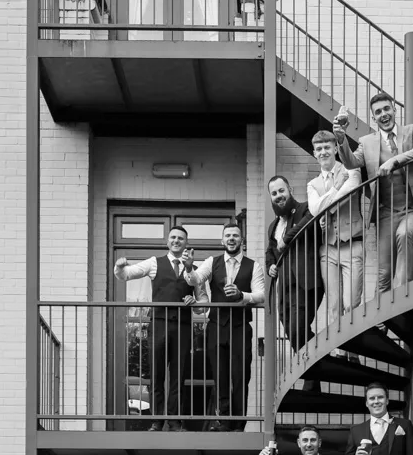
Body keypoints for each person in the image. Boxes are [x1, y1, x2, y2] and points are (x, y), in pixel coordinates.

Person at [333, 94, 413, 291]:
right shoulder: (366, 142)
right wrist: (341, 139)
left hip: (412, 208)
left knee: (405, 234)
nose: (384, 114)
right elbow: (351, 162)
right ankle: (383, 320)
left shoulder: (411, 131)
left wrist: (394, 160)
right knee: (384, 273)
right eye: (378, 112)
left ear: (394, 110)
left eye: (387, 109)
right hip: (386, 213)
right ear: (373, 118)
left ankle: (402, 303)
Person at [113, 224, 198, 431]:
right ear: (168, 241)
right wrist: (119, 267)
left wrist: (194, 302)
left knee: (179, 375)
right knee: (157, 374)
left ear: (186, 243)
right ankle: (157, 420)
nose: (176, 241)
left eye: (180, 238)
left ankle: (175, 421)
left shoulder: (192, 270)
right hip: (159, 324)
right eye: (173, 238)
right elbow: (128, 275)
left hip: (183, 326)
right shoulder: (154, 263)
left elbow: (202, 300)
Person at [183, 222, 264, 431]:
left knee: (240, 376)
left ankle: (238, 424)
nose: (231, 238)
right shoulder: (212, 262)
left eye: (235, 235)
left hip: (240, 327)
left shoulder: (253, 266)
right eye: (227, 235)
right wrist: (189, 267)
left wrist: (241, 295)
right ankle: (222, 421)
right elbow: (195, 280)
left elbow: (261, 294)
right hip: (217, 326)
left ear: (241, 240)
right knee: (220, 376)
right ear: (222, 240)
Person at [265, 175, 324, 390]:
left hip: (305, 281)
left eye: (281, 191)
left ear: (289, 189)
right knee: (289, 326)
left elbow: (308, 223)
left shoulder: (305, 209)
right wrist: (271, 264)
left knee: (298, 327)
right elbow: (270, 251)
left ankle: (312, 374)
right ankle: (315, 368)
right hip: (285, 285)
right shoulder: (273, 225)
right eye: (274, 193)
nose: (279, 196)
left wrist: (286, 238)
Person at [307, 130, 364, 325]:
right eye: (319, 149)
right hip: (328, 249)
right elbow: (315, 210)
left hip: (352, 245)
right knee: (333, 307)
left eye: (327, 147)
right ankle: (340, 354)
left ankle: (353, 353)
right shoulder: (312, 184)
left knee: (351, 304)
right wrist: (335, 189)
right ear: (314, 153)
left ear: (335, 150)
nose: (323, 152)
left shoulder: (351, 170)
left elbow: (350, 190)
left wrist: (326, 209)